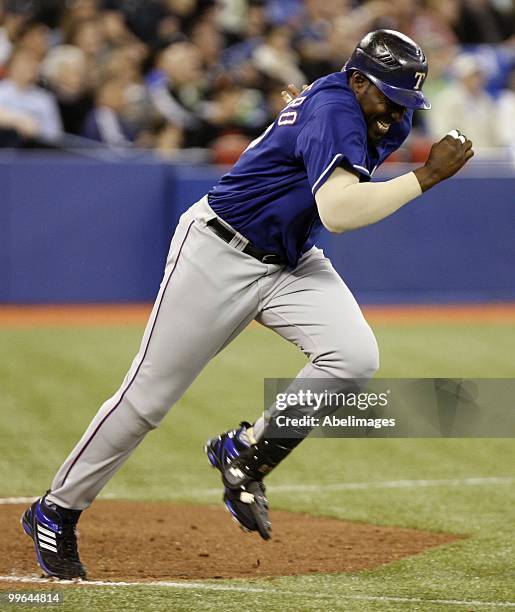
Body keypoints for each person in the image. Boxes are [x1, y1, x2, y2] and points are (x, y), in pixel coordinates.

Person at [21, 29, 473, 579]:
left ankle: (247, 453)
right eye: (388, 93)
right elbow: (340, 212)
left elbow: (329, 153)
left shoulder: (368, 110)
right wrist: (425, 176)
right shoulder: (336, 106)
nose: (397, 108)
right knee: (147, 400)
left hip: (288, 257)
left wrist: (314, 116)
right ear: (357, 79)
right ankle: (57, 508)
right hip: (219, 249)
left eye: (406, 98)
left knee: (353, 355)